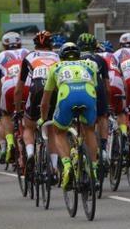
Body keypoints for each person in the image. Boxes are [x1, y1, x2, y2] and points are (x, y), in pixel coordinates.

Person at [40, 43, 99, 190]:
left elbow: (45, 100)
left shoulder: (55, 67)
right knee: (90, 131)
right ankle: (94, 171)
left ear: (61, 56)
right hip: (88, 94)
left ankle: (67, 166)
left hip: (66, 96)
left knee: (58, 131)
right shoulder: (90, 65)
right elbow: (96, 89)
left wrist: (43, 118)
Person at [14, 31, 60, 174]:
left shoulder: (29, 57)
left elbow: (19, 89)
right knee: (51, 129)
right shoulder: (58, 57)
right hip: (54, 90)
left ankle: (30, 153)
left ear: (35, 45)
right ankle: (53, 167)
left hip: (37, 88)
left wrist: (18, 110)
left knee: (29, 126)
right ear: (50, 45)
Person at [0, 32, 29, 164]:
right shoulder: (27, 52)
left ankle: (9, 142)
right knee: (29, 116)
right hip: (27, 85)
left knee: (6, 115)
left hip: (8, 87)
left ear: (4, 45)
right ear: (20, 43)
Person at [77, 33, 110, 163]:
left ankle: (82, 146)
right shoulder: (100, 59)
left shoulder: (75, 59)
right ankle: (103, 148)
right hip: (98, 87)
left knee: (83, 122)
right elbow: (107, 86)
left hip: (81, 88)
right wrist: (107, 105)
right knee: (102, 117)